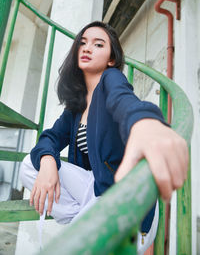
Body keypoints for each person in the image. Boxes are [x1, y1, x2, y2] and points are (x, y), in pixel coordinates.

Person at [20, 21, 188, 253]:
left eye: (98, 44)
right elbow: (50, 137)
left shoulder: (111, 79)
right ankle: (86, 216)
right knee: (30, 164)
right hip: (93, 190)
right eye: (83, 43)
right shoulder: (75, 108)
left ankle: (91, 222)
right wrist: (48, 160)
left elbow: (125, 100)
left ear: (111, 58)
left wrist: (143, 121)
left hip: (121, 196)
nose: (87, 48)